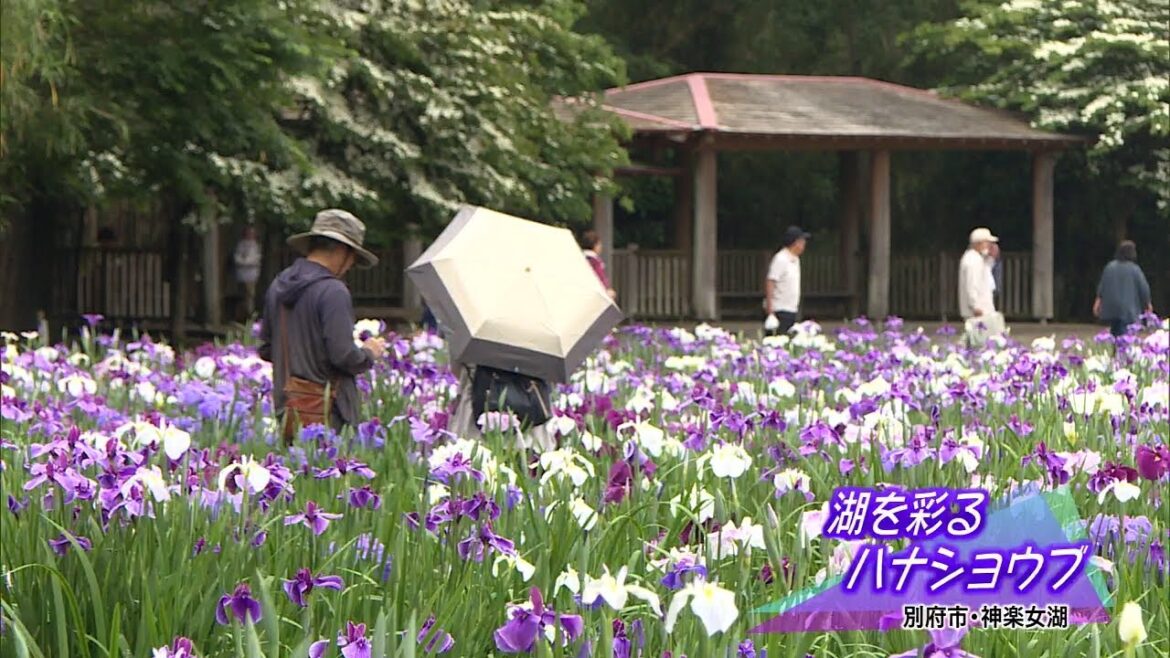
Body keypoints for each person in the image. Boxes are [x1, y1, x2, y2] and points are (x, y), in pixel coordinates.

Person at [258, 209, 387, 435]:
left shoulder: (278, 285)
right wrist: (369, 353)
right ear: (340, 249)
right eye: (353, 259)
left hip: (287, 405)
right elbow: (344, 356)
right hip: (329, 411)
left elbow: (267, 348)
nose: (350, 267)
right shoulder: (333, 291)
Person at [1093, 240, 1152, 338]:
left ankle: (1116, 350)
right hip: (1128, 309)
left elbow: (1102, 287)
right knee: (1125, 336)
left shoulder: (1109, 267)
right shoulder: (1135, 269)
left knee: (1115, 333)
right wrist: (1147, 304)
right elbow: (1144, 288)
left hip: (1112, 308)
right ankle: (1122, 351)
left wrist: (1097, 303)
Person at [959, 227, 1002, 347]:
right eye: (987, 242)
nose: (990, 245)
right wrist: (975, 306)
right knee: (978, 343)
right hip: (978, 311)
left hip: (983, 309)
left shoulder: (977, 258)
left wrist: (992, 257)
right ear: (979, 243)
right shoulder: (972, 260)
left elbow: (986, 272)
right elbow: (971, 284)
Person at [764, 226, 809, 336]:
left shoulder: (795, 259)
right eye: (802, 241)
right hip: (779, 308)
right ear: (795, 242)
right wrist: (770, 309)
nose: (804, 244)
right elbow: (771, 281)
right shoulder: (781, 258)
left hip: (791, 308)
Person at [579, 229, 617, 301]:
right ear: (595, 245)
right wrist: (607, 289)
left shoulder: (580, 258)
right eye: (599, 244)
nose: (601, 246)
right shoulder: (594, 261)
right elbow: (600, 277)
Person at [234, 226, 263, 315]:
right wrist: (244, 261)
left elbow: (255, 260)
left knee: (250, 294)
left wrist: (245, 261)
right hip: (241, 274)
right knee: (241, 294)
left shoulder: (256, 246)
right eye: (248, 233)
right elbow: (237, 258)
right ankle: (242, 313)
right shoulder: (241, 245)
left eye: (251, 233)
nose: (250, 235)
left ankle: (250, 312)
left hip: (252, 274)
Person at [987, 241, 1003, 309]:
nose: (996, 252)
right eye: (993, 250)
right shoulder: (986, 262)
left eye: (997, 250)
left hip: (993, 287)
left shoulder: (998, 262)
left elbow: (998, 276)